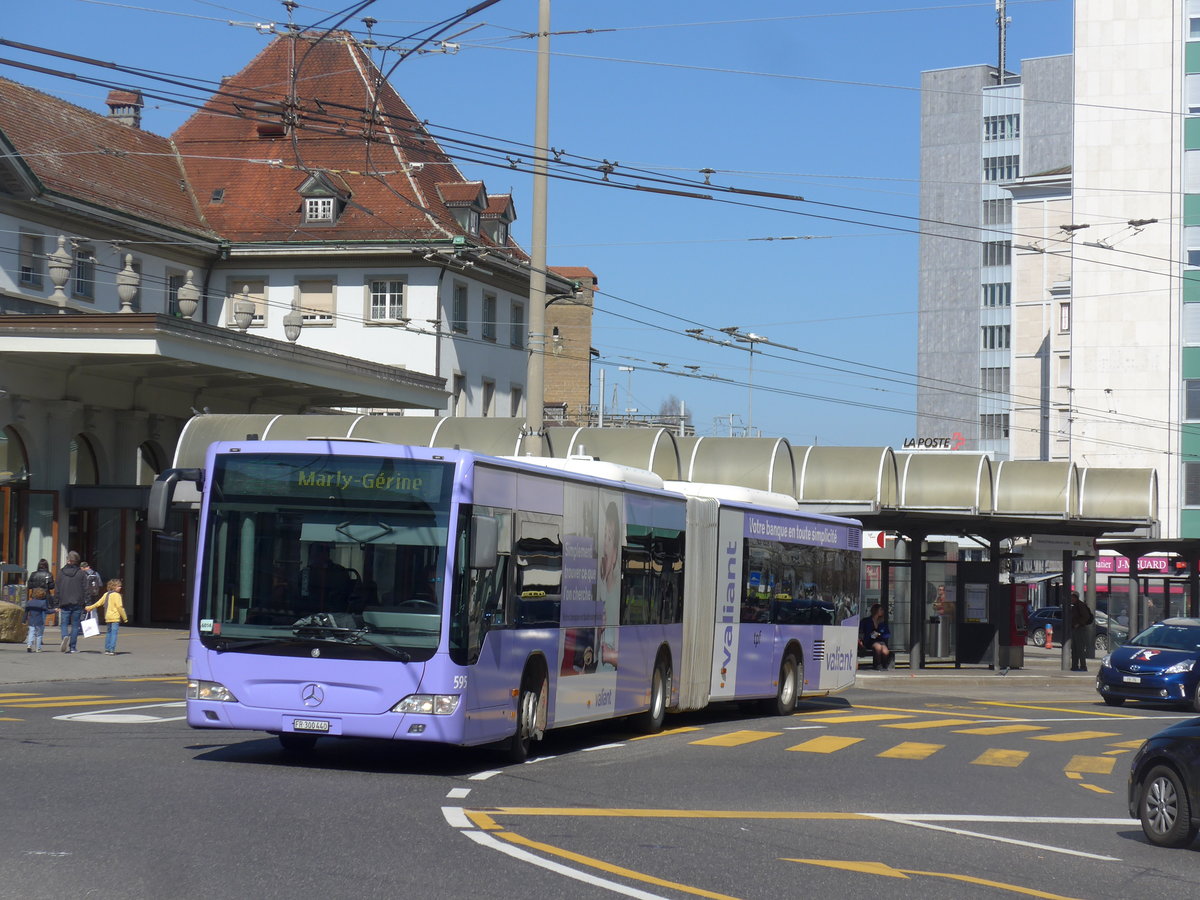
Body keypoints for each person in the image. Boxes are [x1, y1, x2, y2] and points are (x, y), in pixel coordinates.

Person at [300, 542, 352, 611]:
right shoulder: (305, 573)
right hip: (309, 614)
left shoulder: (339, 572)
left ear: (327, 554)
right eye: (314, 555)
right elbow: (302, 597)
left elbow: (343, 596)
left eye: (318, 554)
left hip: (335, 614)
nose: (316, 558)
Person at [56, 551, 88, 653]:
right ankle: (73, 647)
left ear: (68, 560)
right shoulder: (81, 573)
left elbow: (57, 589)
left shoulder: (61, 573)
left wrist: (56, 603)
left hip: (64, 601)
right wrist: (86, 602)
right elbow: (85, 589)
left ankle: (65, 636)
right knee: (75, 625)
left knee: (64, 624)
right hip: (77, 602)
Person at [86, 577, 128, 656]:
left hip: (108, 617)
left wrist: (90, 607)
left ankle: (107, 649)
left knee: (109, 633)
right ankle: (112, 649)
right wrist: (125, 617)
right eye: (119, 586)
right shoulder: (117, 595)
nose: (120, 587)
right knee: (114, 633)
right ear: (114, 587)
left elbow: (98, 603)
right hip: (115, 617)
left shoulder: (106, 594)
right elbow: (120, 607)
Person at [859, 603, 892, 670]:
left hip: (880, 640)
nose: (882, 611)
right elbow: (862, 632)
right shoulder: (866, 621)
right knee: (878, 647)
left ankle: (884, 665)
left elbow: (886, 633)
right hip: (869, 641)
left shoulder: (882, 622)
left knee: (885, 651)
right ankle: (877, 665)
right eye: (881, 610)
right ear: (876, 610)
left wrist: (880, 634)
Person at [1069, 591, 1095, 672]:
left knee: (1080, 649)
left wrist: (1078, 624)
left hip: (1080, 629)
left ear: (1076, 597)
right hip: (1075, 629)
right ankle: (1074, 666)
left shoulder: (1080, 605)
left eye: (1073, 597)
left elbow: (1086, 616)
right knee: (1074, 649)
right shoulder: (1074, 606)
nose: (1071, 599)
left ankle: (1083, 666)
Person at [24, 586, 49, 652]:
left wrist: (24, 620)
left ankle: (29, 645)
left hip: (31, 621)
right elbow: (46, 611)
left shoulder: (29, 602)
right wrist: (55, 610)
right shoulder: (43, 603)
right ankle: (38, 648)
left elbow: (26, 611)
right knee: (39, 635)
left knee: (31, 633)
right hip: (39, 621)